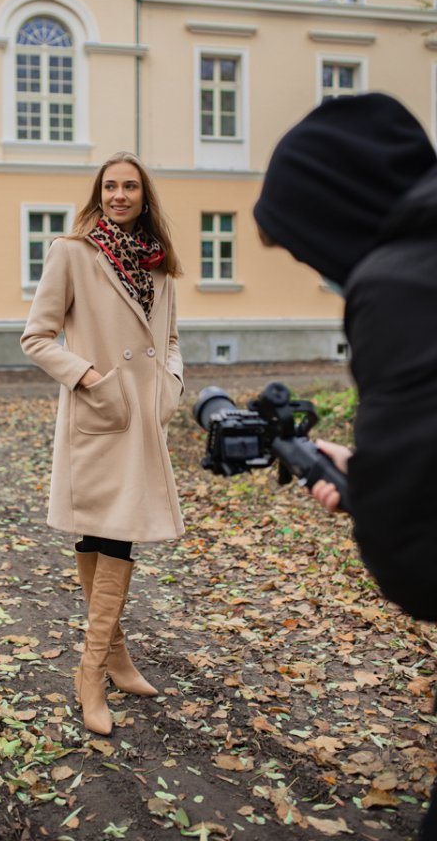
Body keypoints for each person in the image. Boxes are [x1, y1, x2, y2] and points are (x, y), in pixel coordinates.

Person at [252, 92, 437, 840]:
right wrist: (380, 469)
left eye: (307, 251)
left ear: (336, 213)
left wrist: (376, 495)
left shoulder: (400, 283)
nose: (319, 273)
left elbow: (420, 564)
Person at [20, 151, 184, 736]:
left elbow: (169, 339)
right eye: (110, 186)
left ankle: (112, 660)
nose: (119, 195)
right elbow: (36, 337)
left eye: (130, 187)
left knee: (112, 530)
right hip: (99, 412)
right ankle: (92, 672)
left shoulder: (160, 265)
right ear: (99, 193)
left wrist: (171, 386)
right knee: (109, 530)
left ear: (144, 196)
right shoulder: (73, 253)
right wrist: (90, 378)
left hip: (143, 421)